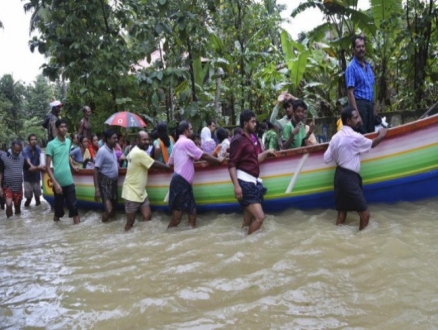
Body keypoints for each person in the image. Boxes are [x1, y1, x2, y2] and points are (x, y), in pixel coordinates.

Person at [323, 106, 387, 231]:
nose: (359, 120)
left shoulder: (335, 137)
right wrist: (382, 134)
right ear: (348, 121)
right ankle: (361, 242)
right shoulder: (354, 137)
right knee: (365, 215)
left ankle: (338, 239)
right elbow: (372, 144)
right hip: (349, 179)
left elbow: (326, 159)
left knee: (342, 214)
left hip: (339, 177)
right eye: (356, 117)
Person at [167, 120, 224, 229]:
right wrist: (218, 161)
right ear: (186, 131)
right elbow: (204, 156)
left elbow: (169, 163)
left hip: (181, 182)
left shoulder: (176, 144)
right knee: (176, 218)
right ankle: (166, 236)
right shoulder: (187, 142)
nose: (193, 131)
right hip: (181, 182)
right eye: (191, 129)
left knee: (192, 213)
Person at [228, 110, 276, 235]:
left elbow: (255, 160)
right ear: (245, 123)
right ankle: (249, 243)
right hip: (244, 184)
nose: (256, 124)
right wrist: (237, 186)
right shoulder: (238, 139)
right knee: (260, 217)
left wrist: (266, 153)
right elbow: (231, 164)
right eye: (253, 122)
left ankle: (242, 246)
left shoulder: (251, 138)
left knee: (247, 221)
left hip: (252, 182)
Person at [122, 131, 170, 231]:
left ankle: (141, 239)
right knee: (130, 223)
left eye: (148, 139)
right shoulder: (139, 153)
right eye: (144, 140)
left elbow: (129, 159)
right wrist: (167, 167)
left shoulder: (133, 150)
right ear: (137, 141)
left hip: (141, 192)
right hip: (131, 192)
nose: (147, 142)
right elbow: (154, 164)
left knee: (147, 217)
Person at [46, 119, 81, 224]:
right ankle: (55, 233)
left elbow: (67, 156)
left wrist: (73, 166)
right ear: (57, 129)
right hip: (58, 184)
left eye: (65, 126)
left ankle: (78, 234)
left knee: (74, 208)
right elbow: (47, 167)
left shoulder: (69, 142)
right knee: (58, 212)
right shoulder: (51, 145)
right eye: (61, 127)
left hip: (69, 181)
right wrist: (55, 184)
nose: (64, 129)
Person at [345, 35, 375, 134]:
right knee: (362, 136)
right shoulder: (351, 67)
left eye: (362, 46)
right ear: (353, 49)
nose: (361, 49)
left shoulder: (368, 66)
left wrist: (373, 108)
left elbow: (371, 87)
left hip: (369, 105)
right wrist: (356, 114)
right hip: (359, 105)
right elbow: (350, 92)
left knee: (371, 135)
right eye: (358, 47)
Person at [0, 141, 36, 217]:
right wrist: (0, 187)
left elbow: (29, 168)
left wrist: (41, 168)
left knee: (18, 210)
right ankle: (9, 223)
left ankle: (17, 225)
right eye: (15, 150)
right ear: (11, 148)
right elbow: (1, 173)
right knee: (9, 205)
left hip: (18, 187)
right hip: (7, 186)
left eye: (19, 150)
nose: (17, 152)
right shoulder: (3, 158)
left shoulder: (22, 158)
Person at [93, 130, 119, 223]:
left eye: (117, 138)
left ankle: (109, 231)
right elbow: (96, 169)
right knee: (109, 210)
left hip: (114, 182)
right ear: (108, 139)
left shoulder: (113, 149)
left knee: (114, 211)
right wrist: (97, 189)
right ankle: (102, 226)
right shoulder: (102, 151)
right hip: (105, 182)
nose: (116, 140)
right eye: (114, 138)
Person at [22, 134, 46, 207]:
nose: (33, 141)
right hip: (28, 177)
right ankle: (25, 211)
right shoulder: (25, 150)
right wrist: (39, 167)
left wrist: (42, 166)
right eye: (32, 140)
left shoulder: (38, 148)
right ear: (29, 141)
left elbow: (42, 160)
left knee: (38, 198)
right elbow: (29, 164)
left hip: (36, 177)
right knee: (29, 198)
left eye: (35, 139)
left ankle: (39, 215)